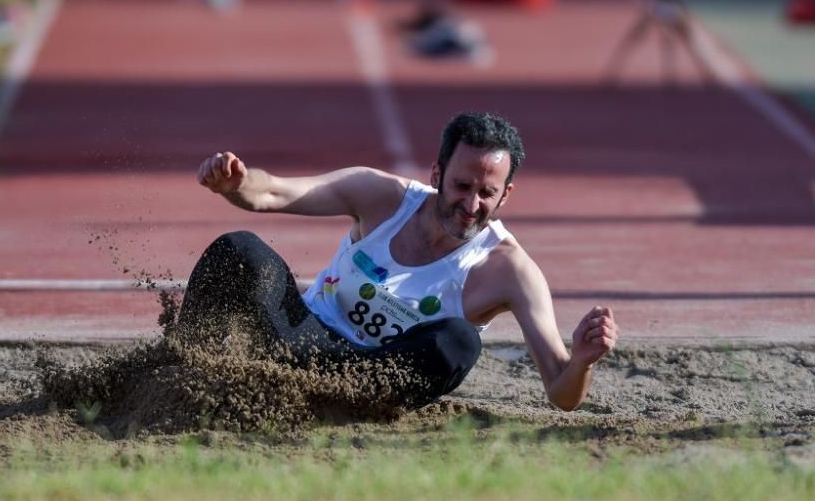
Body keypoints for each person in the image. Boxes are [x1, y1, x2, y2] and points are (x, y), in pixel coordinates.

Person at [181, 112, 619, 410]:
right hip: (301, 338)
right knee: (239, 251)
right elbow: (270, 192)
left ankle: (338, 408)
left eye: (487, 194)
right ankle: (175, 374)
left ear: (506, 195)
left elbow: (562, 392)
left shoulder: (511, 270)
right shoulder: (382, 195)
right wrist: (234, 182)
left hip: (373, 383)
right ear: (437, 175)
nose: (471, 205)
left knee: (461, 340)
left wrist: (582, 361)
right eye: (461, 186)